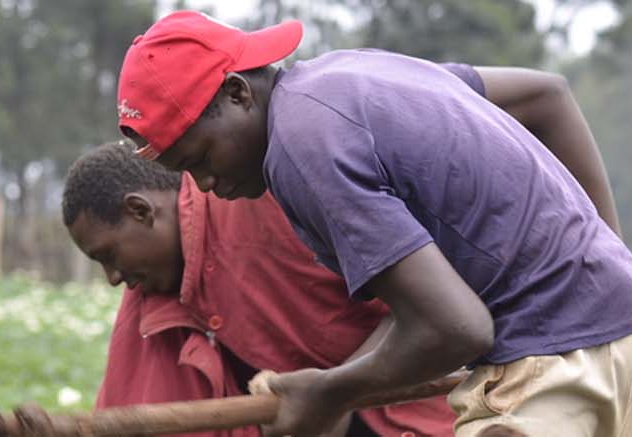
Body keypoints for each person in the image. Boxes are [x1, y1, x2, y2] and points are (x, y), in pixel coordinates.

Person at [113, 10, 632, 437]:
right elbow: (422, 312)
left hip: (551, 356)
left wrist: (331, 393)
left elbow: (457, 329)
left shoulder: (301, 150)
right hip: (616, 335)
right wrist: (607, 266)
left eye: (201, 159)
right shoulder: (354, 75)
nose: (205, 186)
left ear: (237, 92)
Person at [61, 142, 456, 437]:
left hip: (407, 409)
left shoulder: (267, 201)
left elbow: (426, 306)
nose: (113, 277)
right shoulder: (153, 287)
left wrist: (337, 391)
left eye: (109, 255)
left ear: (140, 211)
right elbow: (132, 403)